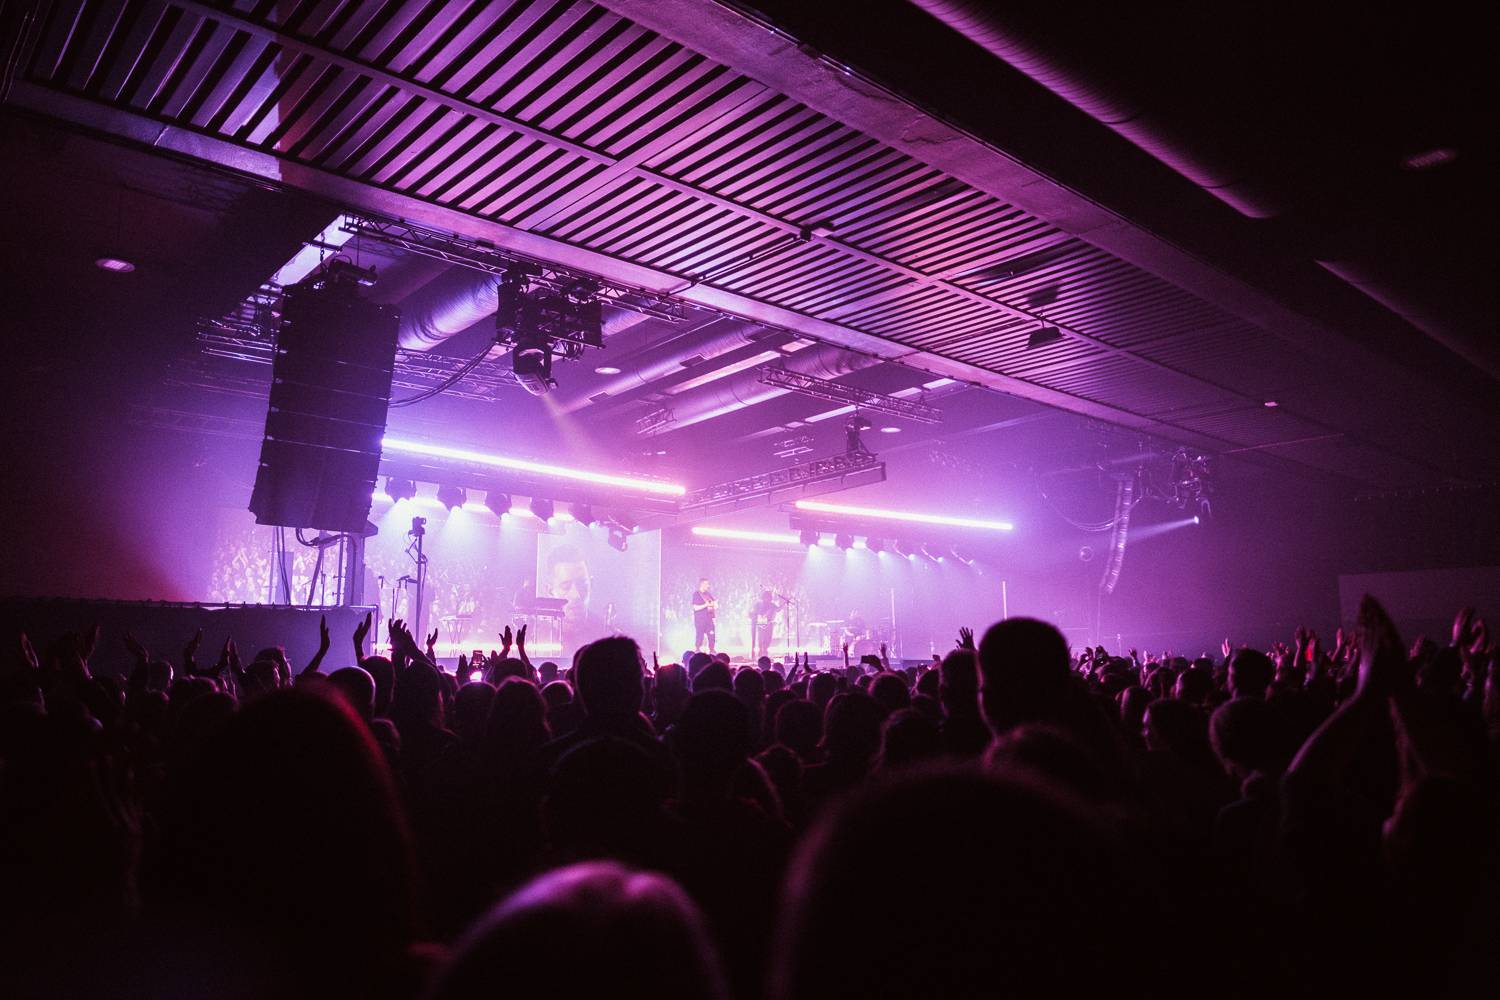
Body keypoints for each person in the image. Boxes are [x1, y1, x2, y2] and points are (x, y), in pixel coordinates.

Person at [751, 590, 780, 661]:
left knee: (768, 637)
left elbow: (778, 610)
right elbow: (754, 612)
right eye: (766, 597)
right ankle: (761, 651)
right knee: (761, 637)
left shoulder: (772, 604)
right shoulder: (759, 604)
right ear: (763, 597)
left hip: (769, 623)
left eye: (769, 597)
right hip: (761, 623)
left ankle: (765, 650)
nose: (768, 599)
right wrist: (761, 616)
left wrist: (785, 603)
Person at [692, 578, 718, 653]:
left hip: (709, 620)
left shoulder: (708, 594)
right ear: (702, 584)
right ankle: (697, 651)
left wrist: (715, 604)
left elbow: (714, 604)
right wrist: (705, 605)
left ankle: (712, 650)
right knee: (699, 636)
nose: (708, 586)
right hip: (700, 620)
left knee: (712, 635)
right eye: (707, 584)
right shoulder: (696, 594)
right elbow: (695, 608)